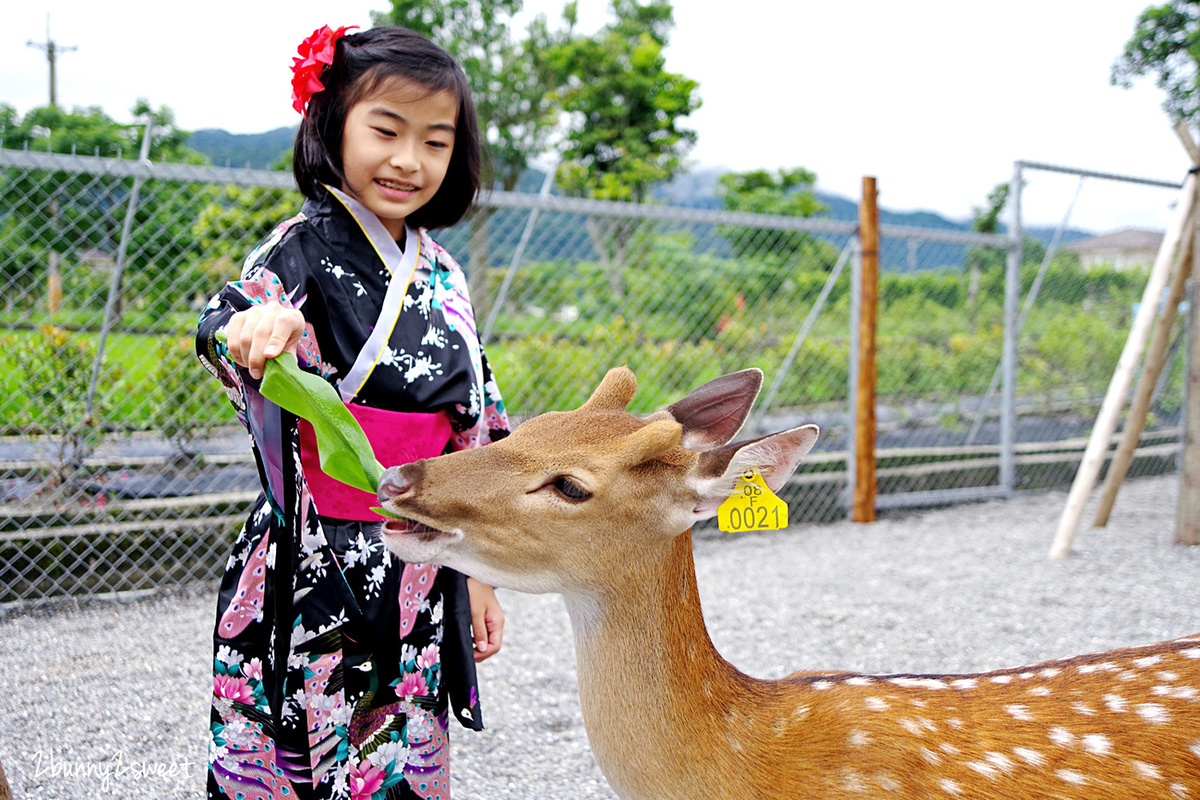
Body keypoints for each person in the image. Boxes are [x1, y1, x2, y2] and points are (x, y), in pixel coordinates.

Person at [196, 24, 510, 800]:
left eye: (436, 141)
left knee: (400, 757)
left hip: (420, 551)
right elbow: (234, 315)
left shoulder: (444, 273)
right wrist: (251, 331)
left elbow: (477, 419)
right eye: (386, 129)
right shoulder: (297, 249)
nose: (410, 160)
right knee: (305, 749)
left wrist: (478, 571)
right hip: (316, 557)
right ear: (331, 122)